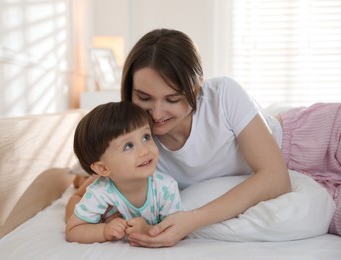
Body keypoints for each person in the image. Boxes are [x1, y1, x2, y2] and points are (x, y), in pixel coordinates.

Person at [68, 28, 341, 246]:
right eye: (144, 97)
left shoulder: (223, 94)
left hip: (312, 138)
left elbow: (275, 177)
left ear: (197, 89)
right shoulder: (138, 146)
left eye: (173, 98)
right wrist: (104, 227)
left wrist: (192, 220)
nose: (157, 113)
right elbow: (80, 201)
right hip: (311, 188)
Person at [65, 101, 182, 244]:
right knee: (78, 193)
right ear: (103, 168)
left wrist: (148, 229)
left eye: (146, 137)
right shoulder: (99, 192)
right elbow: (73, 231)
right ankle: (80, 178)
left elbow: (176, 229)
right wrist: (103, 231)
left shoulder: (166, 187)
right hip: (100, 179)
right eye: (128, 146)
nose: (145, 150)